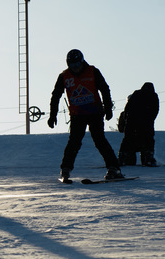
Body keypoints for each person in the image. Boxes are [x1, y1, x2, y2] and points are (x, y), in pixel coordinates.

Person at [48, 49, 123, 182]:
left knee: (99, 140)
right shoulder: (64, 76)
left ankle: (114, 168)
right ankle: (65, 169)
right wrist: (53, 115)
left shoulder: (93, 71)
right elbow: (56, 96)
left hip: (95, 112)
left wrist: (108, 108)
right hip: (78, 115)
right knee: (74, 142)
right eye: (72, 66)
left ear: (82, 62)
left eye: (77, 65)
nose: (75, 68)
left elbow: (105, 89)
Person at [118, 82, 160, 166]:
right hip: (146, 123)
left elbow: (128, 107)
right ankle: (148, 158)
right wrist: (151, 119)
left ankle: (123, 158)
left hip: (132, 122)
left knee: (128, 140)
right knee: (148, 140)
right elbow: (156, 109)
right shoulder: (153, 96)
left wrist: (127, 119)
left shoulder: (136, 94)